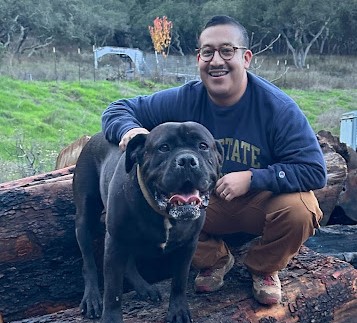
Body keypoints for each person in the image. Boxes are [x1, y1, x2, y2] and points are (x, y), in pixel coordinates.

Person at [101, 15, 327, 305]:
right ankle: (215, 259)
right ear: (198, 59)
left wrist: (253, 178)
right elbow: (117, 109)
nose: (216, 60)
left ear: (246, 58)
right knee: (153, 209)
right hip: (200, 201)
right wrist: (130, 130)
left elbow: (314, 171)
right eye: (207, 52)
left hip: (256, 201)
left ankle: (264, 267)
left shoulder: (277, 108)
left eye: (227, 50)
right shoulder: (182, 99)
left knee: (301, 210)